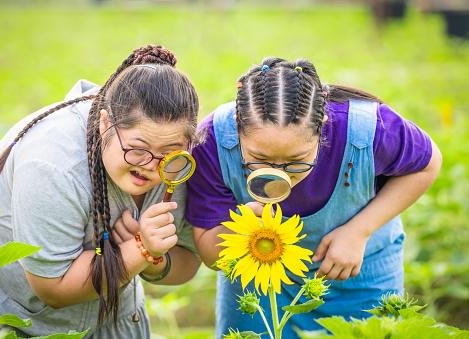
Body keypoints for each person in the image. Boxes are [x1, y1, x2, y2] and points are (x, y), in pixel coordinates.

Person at [185, 57, 442, 337]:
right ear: (237, 126)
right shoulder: (211, 142)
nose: (278, 173)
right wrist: (240, 230)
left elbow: (428, 164)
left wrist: (359, 231)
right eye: (260, 159)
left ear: (323, 123)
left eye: (296, 160)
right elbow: (210, 254)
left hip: (361, 272)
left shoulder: (368, 129)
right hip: (258, 282)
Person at [0, 45, 201, 338]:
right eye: (137, 150)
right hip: (13, 318)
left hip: (113, 314)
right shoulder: (52, 165)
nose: (151, 165)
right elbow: (53, 287)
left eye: (169, 152)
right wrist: (139, 249)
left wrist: (156, 262)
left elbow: (188, 260)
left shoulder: (180, 166)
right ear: (104, 124)